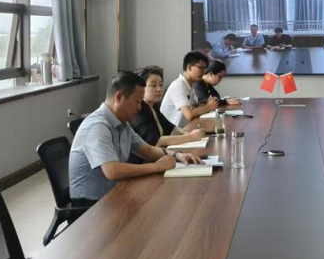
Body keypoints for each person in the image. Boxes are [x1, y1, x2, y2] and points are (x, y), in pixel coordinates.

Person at [69, 72, 202, 204]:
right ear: (119, 97)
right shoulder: (97, 126)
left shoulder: (122, 122)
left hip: (115, 193)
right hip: (91, 205)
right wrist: (157, 166)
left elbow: (147, 150)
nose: (139, 107)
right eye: (137, 101)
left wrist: (177, 155)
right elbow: (112, 171)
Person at [130, 66, 209, 148]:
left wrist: (190, 134)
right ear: (141, 88)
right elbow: (156, 141)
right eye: (153, 85)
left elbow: (171, 128)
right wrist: (190, 137)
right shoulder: (139, 110)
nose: (159, 89)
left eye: (161, 85)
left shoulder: (153, 106)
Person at [160, 51, 218, 126]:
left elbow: (194, 107)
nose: (203, 72)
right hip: (172, 131)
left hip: (184, 128)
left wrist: (206, 104)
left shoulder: (190, 84)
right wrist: (208, 106)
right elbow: (189, 115)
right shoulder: (178, 85)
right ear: (189, 67)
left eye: (204, 69)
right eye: (201, 68)